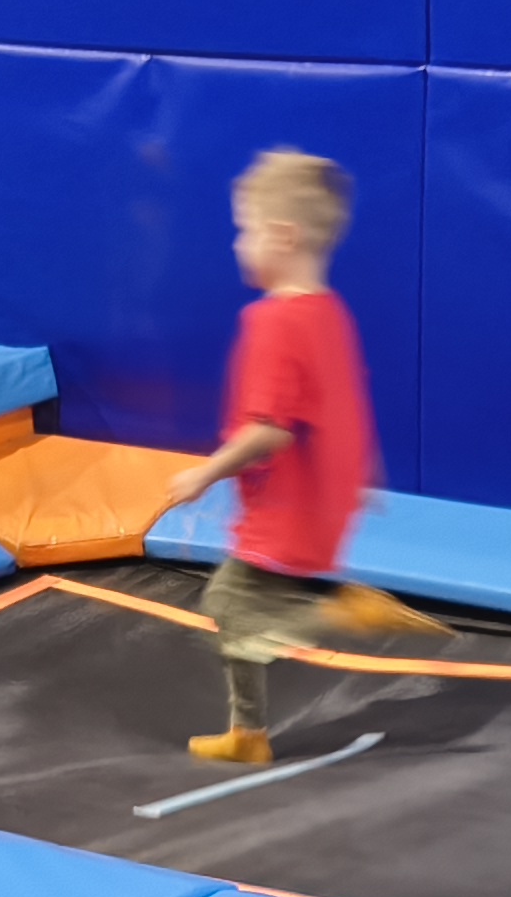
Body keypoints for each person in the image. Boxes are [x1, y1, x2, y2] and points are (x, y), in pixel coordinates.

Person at [151, 146, 442, 766]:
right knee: (242, 615)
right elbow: (343, 404)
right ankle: (248, 734)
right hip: (322, 506)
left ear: (282, 236)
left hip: (284, 510)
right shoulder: (328, 313)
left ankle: (341, 611)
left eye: (245, 230)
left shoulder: (274, 322)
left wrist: (205, 473)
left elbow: (270, 432)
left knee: (228, 604)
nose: (238, 244)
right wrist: (358, 479)